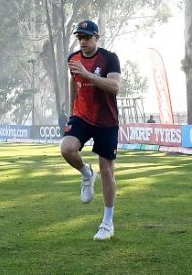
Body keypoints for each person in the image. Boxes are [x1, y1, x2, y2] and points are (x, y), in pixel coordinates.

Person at [60, 19, 122, 241]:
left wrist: (88, 75)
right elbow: (73, 81)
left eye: (87, 37)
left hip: (106, 120)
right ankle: (87, 174)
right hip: (82, 116)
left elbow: (114, 86)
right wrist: (71, 112)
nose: (83, 41)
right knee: (67, 149)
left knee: (107, 170)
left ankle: (107, 223)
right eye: (80, 37)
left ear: (97, 37)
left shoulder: (109, 58)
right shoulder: (73, 59)